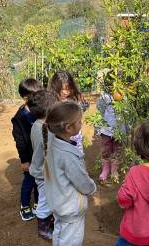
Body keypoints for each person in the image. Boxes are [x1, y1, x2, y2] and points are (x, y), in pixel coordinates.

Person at [43, 101, 96, 246]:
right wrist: (92, 188)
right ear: (68, 128)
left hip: (58, 203)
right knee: (72, 240)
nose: (81, 123)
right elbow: (82, 182)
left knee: (59, 231)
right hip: (70, 208)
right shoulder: (69, 156)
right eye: (79, 121)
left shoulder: (52, 141)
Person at [11, 78, 42, 221]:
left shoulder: (39, 111)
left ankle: (37, 203)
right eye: (35, 95)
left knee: (39, 181)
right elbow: (20, 142)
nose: (39, 98)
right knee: (29, 182)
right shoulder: (19, 118)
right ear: (25, 98)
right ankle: (25, 205)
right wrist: (24, 160)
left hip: (40, 155)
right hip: (29, 157)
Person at [28, 90, 58, 239]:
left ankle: (47, 222)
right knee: (44, 202)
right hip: (44, 173)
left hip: (41, 171)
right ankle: (43, 228)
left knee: (47, 199)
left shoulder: (37, 125)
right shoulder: (44, 130)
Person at [48, 70, 88, 153]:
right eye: (63, 89)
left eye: (69, 89)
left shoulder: (73, 99)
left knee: (78, 157)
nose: (67, 92)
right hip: (60, 141)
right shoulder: (53, 104)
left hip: (75, 137)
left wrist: (83, 105)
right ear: (55, 87)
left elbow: (80, 110)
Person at [96, 70, 123, 183]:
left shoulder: (124, 97)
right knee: (106, 151)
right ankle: (105, 170)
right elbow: (99, 112)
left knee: (117, 151)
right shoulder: (104, 97)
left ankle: (114, 171)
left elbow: (127, 113)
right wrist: (97, 127)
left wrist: (128, 128)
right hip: (106, 130)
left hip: (119, 131)